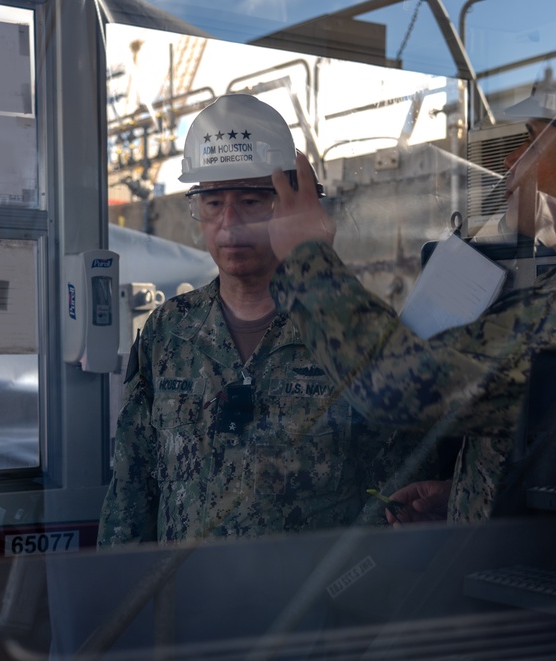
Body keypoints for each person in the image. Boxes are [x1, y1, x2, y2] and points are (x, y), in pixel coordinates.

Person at [266, 65, 556, 525]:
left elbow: (397, 385)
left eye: (533, 143)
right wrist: (471, 496)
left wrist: (305, 258)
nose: (512, 161)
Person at [97, 95, 419, 546]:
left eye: (251, 202)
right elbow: (131, 486)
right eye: (212, 204)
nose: (230, 226)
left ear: (290, 205)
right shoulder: (168, 332)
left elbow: (396, 492)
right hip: (185, 603)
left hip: (306, 606)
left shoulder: (349, 329)